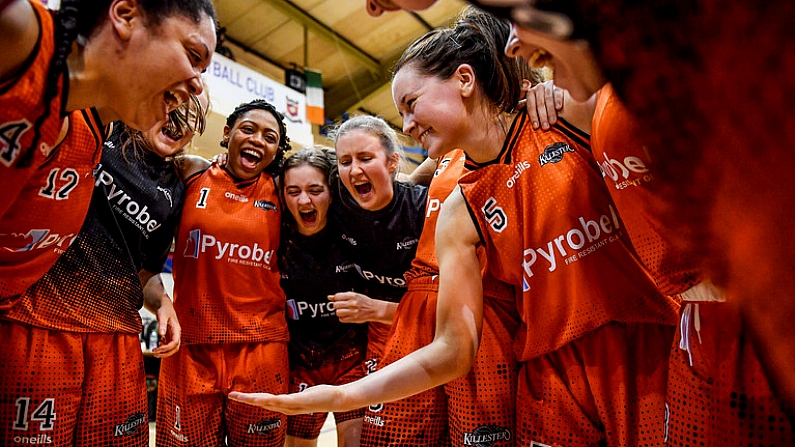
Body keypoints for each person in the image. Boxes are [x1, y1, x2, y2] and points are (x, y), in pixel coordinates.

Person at [232, 8, 679, 447]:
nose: (406, 126)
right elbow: (453, 349)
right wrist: (345, 395)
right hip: (553, 375)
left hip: (650, 347)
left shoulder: (563, 115)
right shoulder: (458, 209)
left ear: (464, 79)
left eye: (410, 104)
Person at [0, 91, 209, 446]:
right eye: (174, 109)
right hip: (42, 322)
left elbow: (143, 272)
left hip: (117, 338)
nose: (178, 122)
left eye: (191, 120)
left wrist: (163, 303)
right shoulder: (104, 129)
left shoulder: (176, 189)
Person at [0, 0, 217, 312]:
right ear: (126, 15)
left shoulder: (92, 130)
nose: (198, 84)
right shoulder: (23, 34)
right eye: (193, 56)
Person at [156, 99, 292, 447]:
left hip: (259, 346)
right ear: (228, 132)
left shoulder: (281, 190)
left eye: (270, 137)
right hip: (191, 343)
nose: (258, 140)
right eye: (248, 129)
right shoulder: (190, 172)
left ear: (277, 150)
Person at [279, 146, 369, 447]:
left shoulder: (353, 231)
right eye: (293, 191)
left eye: (315, 190)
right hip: (300, 366)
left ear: (331, 192)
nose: (304, 200)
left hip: (352, 362)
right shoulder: (276, 238)